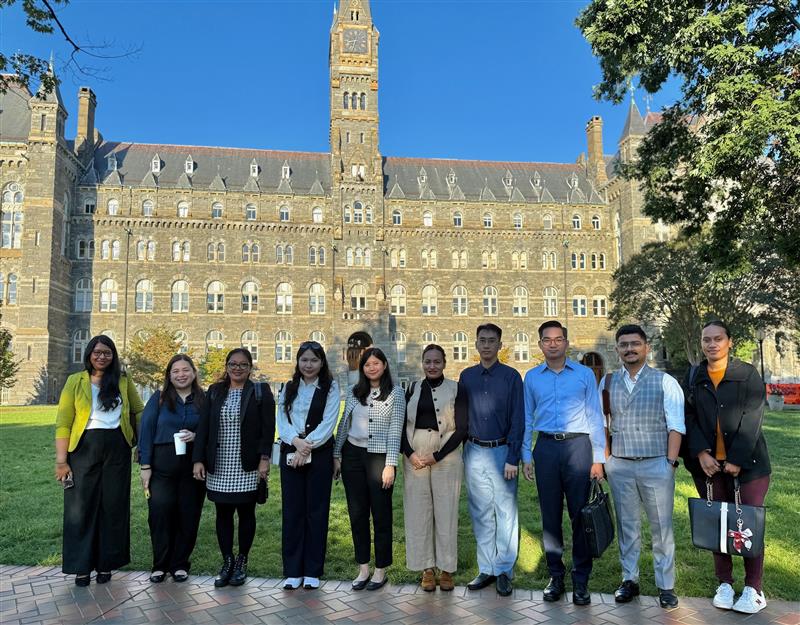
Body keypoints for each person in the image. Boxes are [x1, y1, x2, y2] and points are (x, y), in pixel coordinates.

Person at [684, 320, 771, 614]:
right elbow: (690, 416)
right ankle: (724, 582)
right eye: (706, 339)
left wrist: (736, 458)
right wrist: (700, 453)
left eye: (717, 339)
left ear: (729, 341)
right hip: (708, 466)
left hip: (749, 466)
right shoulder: (695, 375)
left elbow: (753, 417)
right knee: (717, 524)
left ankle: (753, 589)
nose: (711, 344)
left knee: (746, 525)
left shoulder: (746, 374)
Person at [598, 324, 685, 609]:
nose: (629, 349)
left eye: (635, 344)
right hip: (620, 466)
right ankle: (629, 579)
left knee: (662, 528)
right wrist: (608, 461)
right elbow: (603, 425)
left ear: (646, 347)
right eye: (624, 345)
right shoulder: (607, 383)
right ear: (617, 349)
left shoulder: (664, 381)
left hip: (656, 465)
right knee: (627, 526)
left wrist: (670, 464)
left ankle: (666, 586)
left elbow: (676, 426)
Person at [521, 320, 605, 605]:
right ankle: (556, 576)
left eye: (558, 339)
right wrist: (525, 455)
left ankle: (581, 580)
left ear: (566, 343)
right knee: (550, 516)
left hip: (578, 447)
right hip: (545, 448)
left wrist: (598, 458)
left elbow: (595, 416)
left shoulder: (583, 375)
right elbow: (527, 418)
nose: (553, 344)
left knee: (580, 516)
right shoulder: (532, 377)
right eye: (547, 339)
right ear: (540, 344)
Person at [54, 335, 144, 587]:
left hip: (117, 446)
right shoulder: (75, 381)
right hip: (83, 448)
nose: (102, 356)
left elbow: (139, 410)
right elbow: (63, 421)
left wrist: (141, 443)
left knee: (113, 506)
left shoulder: (123, 381)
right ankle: (81, 566)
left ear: (113, 355)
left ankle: (107, 563)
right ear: (89, 355)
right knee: (80, 508)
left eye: (107, 352)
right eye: (97, 352)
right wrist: (62, 461)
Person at [192, 348, 275, 588]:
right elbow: (204, 427)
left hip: (247, 464)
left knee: (246, 513)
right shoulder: (215, 391)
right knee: (223, 513)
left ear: (250, 367)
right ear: (226, 366)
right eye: (232, 364)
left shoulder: (260, 391)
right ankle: (227, 561)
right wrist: (198, 459)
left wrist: (264, 458)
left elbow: (268, 429)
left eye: (242, 364)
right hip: (219, 463)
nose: (237, 368)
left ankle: (242, 561)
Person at [459, 323, 524, 597]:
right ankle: (486, 568)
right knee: (481, 512)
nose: (486, 345)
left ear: (500, 345)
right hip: (474, 451)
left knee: (505, 512)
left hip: (501, 452)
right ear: (476, 345)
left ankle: (504, 570)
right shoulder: (466, 376)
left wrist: (513, 457)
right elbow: (460, 418)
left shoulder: (511, 377)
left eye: (491, 341)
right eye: (482, 340)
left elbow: (518, 419)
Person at [333, 347, 405, 591]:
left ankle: (381, 569)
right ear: (362, 368)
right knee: (357, 513)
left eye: (376, 363)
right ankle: (363, 567)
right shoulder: (355, 392)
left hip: (379, 458)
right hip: (352, 455)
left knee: (381, 515)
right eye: (367, 364)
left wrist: (390, 464)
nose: (371, 367)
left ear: (384, 365)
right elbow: (345, 423)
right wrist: (336, 454)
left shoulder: (396, 393)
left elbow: (396, 429)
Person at [402, 344, 469, 592]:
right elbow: (400, 425)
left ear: (444, 363)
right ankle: (426, 568)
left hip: (446, 454)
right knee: (418, 513)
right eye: (428, 361)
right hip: (415, 455)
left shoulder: (457, 389)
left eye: (436, 362)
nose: (432, 366)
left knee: (445, 512)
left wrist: (437, 455)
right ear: (422, 363)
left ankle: (447, 568)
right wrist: (409, 454)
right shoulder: (411, 389)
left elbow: (462, 428)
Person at [277, 341, 340, 590]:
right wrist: (295, 441)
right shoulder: (289, 387)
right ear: (298, 362)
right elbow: (281, 418)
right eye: (304, 360)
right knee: (292, 511)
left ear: (322, 362)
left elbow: (329, 421)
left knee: (316, 511)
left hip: (319, 455)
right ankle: (293, 570)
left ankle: (312, 570)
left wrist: (307, 445)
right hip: (291, 451)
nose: (309, 364)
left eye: (314, 360)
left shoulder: (330, 387)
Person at [139, 354, 207, 583]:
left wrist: (196, 436)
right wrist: (145, 465)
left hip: (193, 465)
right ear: (169, 375)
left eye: (185, 370)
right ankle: (160, 564)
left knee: (188, 515)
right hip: (161, 464)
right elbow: (146, 431)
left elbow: (212, 431)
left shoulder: (203, 399)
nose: (181, 374)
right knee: (160, 514)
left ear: (194, 373)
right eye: (175, 371)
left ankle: (180, 564)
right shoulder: (158, 399)